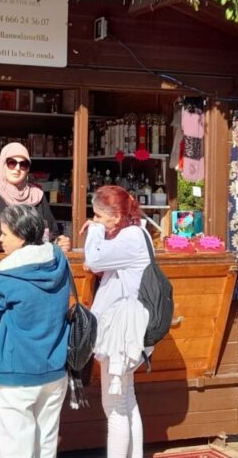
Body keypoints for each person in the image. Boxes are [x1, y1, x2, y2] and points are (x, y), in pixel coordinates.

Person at [0, 204, 70, 458]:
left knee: (15, 447)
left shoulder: (8, 272)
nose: (0, 239)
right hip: (55, 365)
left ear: (22, 236)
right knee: (46, 445)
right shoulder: (58, 260)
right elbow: (33, 295)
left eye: (5, 233)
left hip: (17, 370)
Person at [81, 185, 151, 458]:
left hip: (121, 332)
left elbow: (94, 257)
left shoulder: (131, 237)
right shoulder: (137, 233)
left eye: (99, 216)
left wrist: (95, 231)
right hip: (128, 329)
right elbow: (100, 264)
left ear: (116, 216)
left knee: (115, 407)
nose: (95, 220)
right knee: (126, 400)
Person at [0, 142, 71, 254]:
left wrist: (60, 242)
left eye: (23, 164)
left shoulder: (37, 196)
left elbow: (51, 234)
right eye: (11, 163)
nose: (17, 168)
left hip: (33, 263)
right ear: (2, 165)